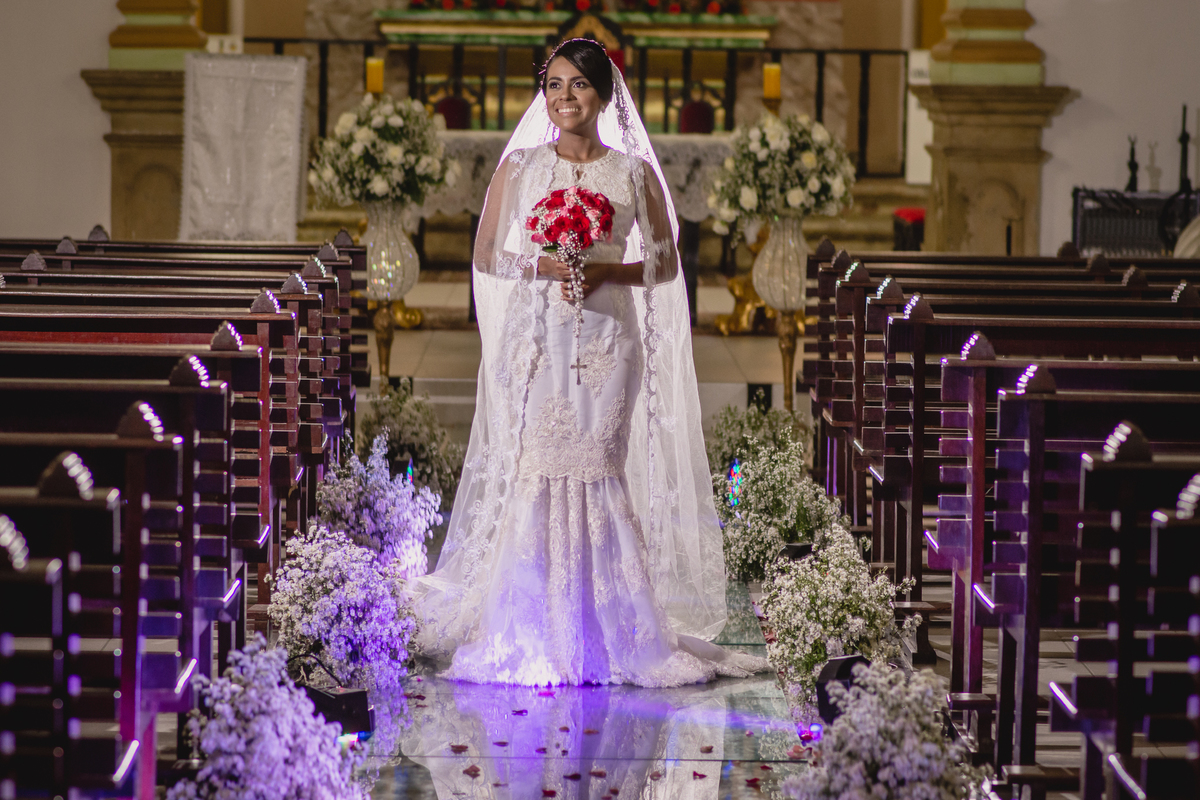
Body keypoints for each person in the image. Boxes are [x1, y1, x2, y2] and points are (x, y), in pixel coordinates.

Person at [409, 38, 768, 687]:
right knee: (539, 468)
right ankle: (533, 622)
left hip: (609, 340)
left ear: (602, 95)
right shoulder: (521, 166)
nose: (564, 98)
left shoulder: (631, 173)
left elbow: (665, 262)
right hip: (543, 337)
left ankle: (613, 626)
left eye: (577, 86)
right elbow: (488, 255)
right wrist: (543, 264)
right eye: (554, 85)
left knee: (599, 466)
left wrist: (605, 268)